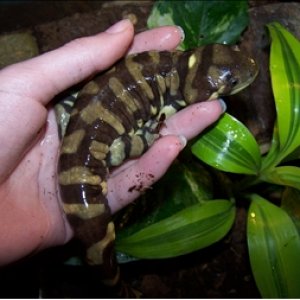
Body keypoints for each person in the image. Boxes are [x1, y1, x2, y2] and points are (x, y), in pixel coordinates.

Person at [0, 19, 225, 266]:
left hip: (78, 133)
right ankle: (112, 282)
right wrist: (144, 139)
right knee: (138, 143)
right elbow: (115, 153)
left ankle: (109, 278)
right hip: (93, 151)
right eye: (230, 83)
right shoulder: (170, 80)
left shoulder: (165, 60)